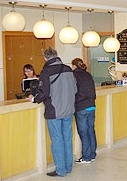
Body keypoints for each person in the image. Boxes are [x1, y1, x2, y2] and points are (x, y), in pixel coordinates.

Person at [28, 47, 77, 177]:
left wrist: (34, 99)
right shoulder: (68, 69)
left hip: (54, 111)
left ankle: (61, 170)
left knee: (57, 140)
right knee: (67, 138)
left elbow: (44, 92)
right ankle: (68, 167)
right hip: (68, 109)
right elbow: (75, 89)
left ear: (45, 57)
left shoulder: (46, 71)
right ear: (56, 55)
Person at [71, 58, 97, 164]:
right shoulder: (88, 74)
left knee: (83, 132)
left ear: (74, 66)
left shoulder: (74, 76)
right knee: (91, 130)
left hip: (81, 106)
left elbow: (73, 91)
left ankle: (86, 157)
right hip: (91, 105)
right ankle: (92, 154)